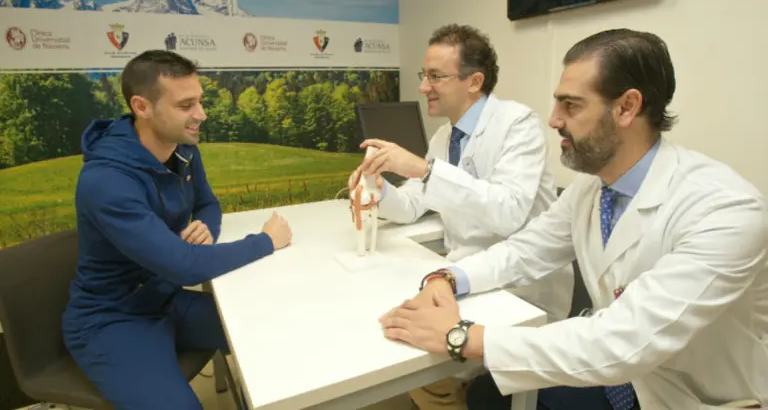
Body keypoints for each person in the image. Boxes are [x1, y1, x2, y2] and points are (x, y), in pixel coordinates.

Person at [380, 28, 768, 410]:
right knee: (490, 396)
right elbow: (526, 250)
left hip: (694, 398)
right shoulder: (592, 190)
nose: (553, 120)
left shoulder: (725, 210)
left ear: (627, 107)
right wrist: (448, 278)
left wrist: (461, 337)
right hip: (626, 381)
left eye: (571, 105)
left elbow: (623, 342)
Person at [350, 24, 574, 409]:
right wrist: (376, 188)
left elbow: (508, 211)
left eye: (435, 76)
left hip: (519, 289)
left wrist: (425, 170)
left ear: (474, 81)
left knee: (421, 358)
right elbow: (411, 205)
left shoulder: (517, 124)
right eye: (424, 75)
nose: (423, 86)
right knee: (396, 327)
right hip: (464, 274)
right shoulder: (444, 137)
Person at [61, 50, 292, 409]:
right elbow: (184, 266)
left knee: (279, 331)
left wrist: (205, 227)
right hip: (112, 320)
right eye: (186, 105)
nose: (201, 114)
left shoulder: (183, 149)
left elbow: (208, 204)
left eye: (199, 101)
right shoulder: (106, 181)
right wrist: (265, 241)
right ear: (142, 107)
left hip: (166, 299)